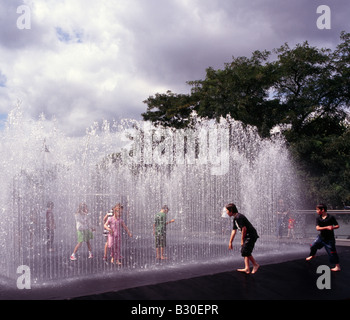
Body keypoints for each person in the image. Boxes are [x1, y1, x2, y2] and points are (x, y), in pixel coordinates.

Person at [226, 203, 260, 274]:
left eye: (227, 211)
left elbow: (244, 229)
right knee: (244, 250)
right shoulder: (235, 218)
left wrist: (242, 240)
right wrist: (230, 242)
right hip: (247, 235)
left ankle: (255, 264)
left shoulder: (239, 217)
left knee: (245, 251)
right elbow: (234, 231)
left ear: (231, 211)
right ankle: (247, 268)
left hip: (251, 235)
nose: (226, 212)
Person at [306, 204, 341, 272]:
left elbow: (337, 226)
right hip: (321, 237)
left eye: (317, 209)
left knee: (332, 252)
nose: (316, 211)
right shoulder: (318, 218)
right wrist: (327, 227)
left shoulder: (331, 217)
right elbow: (317, 228)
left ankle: (337, 267)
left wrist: (332, 227)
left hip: (329, 239)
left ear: (322, 210)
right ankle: (312, 255)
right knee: (313, 245)